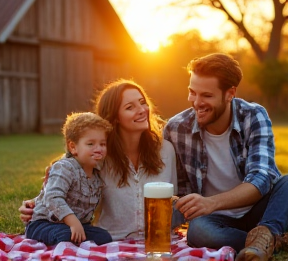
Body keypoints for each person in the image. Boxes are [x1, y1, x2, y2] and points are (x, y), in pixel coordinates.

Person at [164, 53, 288, 261]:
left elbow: (262, 177)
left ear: (230, 93)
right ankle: (268, 241)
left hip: (261, 208)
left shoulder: (253, 115)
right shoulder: (176, 128)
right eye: (192, 92)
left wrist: (211, 202)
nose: (196, 102)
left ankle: (268, 232)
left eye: (206, 96)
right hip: (216, 220)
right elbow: (177, 191)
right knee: (199, 232)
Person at [20, 79, 177, 241]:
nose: (142, 110)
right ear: (115, 118)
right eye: (130, 107)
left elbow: (174, 199)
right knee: (67, 236)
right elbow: (68, 175)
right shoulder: (99, 154)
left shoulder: (166, 151)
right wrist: (34, 203)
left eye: (142, 103)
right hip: (115, 238)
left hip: (157, 240)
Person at [25, 112, 113, 246]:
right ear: (73, 147)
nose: (99, 149)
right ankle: (70, 245)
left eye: (102, 144)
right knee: (64, 234)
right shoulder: (65, 167)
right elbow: (52, 197)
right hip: (44, 223)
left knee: (104, 236)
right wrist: (73, 221)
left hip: (77, 225)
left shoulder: (97, 175)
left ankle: (77, 242)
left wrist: (77, 224)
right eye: (90, 144)